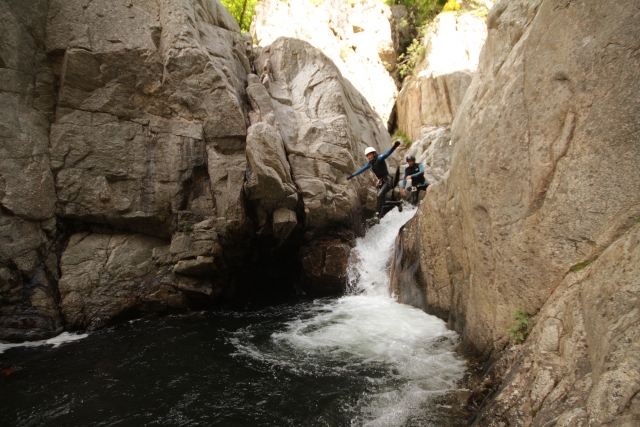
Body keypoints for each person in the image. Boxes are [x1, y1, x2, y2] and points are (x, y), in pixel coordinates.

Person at [347, 140, 401, 221]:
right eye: (367, 156)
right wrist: (352, 175)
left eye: (370, 155)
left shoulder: (379, 158)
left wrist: (394, 146)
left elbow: (386, 154)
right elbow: (361, 170)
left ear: (374, 154)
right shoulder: (370, 164)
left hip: (388, 180)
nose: (368, 157)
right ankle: (398, 203)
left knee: (379, 195)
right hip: (381, 182)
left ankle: (377, 216)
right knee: (382, 203)